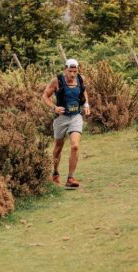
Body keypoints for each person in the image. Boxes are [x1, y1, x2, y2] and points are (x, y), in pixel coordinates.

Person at [42, 58, 90, 189]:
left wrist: (86, 104)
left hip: (76, 116)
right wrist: (54, 107)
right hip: (61, 118)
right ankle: (55, 173)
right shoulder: (57, 80)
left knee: (75, 146)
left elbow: (84, 91)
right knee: (58, 147)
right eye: (70, 71)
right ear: (65, 69)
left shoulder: (80, 79)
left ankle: (70, 178)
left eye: (75, 71)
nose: (73, 74)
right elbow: (44, 96)